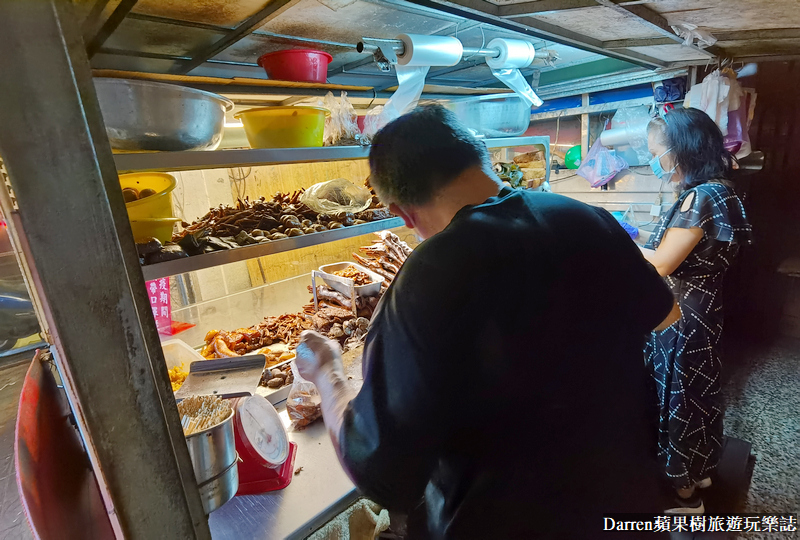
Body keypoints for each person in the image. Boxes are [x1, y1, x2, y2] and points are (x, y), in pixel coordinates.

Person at [296, 104, 677, 539]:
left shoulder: (429, 275)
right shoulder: (586, 218)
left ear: (404, 214)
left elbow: (384, 474)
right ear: (481, 159)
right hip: (630, 509)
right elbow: (666, 315)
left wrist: (326, 371)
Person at [640, 108, 753, 514]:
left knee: (680, 397)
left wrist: (611, 237)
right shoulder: (720, 190)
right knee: (697, 394)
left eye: (657, 152)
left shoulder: (700, 196)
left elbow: (662, 263)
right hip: (702, 309)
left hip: (681, 315)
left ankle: (685, 494)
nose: (656, 161)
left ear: (681, 150)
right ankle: (700, 469)